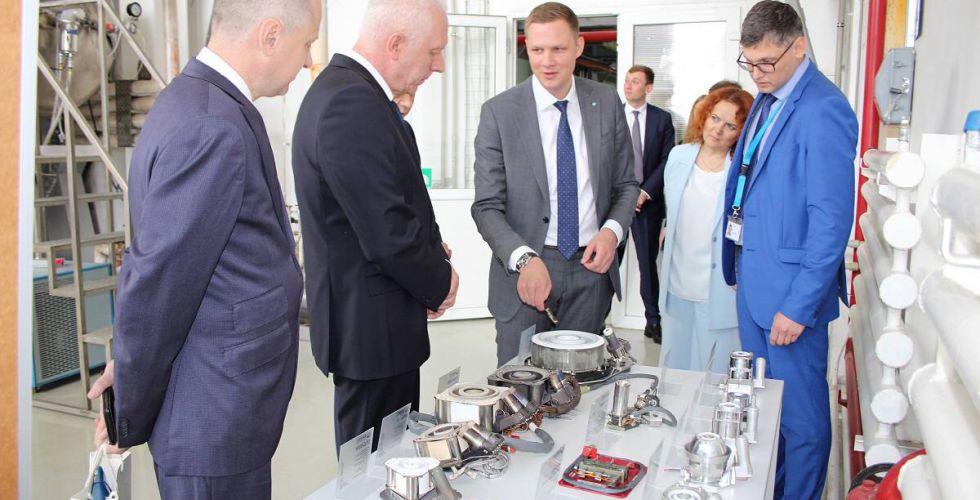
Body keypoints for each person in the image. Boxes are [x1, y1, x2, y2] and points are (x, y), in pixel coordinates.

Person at [85, 0, 318, 496]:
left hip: (222, 406)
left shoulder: (205, 101)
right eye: (306, 44)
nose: (307, 60)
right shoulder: (211, 125)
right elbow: (160, 283)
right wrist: (129, 404)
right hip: (211, 418)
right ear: (270, 34)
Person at [291, 0, 458, 452]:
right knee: (373, 470)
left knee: (392, 459)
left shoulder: (356, 95)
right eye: (433, 51)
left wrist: (431, 249)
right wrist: (439, 281)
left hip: (378, 326)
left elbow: (388, 201)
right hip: (370, 333)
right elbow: (387, 234)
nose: (439, 66)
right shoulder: (351, 103)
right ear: (396, 44)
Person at [720, 2, 858, 498]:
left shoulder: (824, 109)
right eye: (749, 62)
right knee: (764, 408)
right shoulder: (768, 97)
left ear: (799, 47)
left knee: (801, 421)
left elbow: (830, 222)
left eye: (766, 62)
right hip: (756, 281)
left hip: (790, 297)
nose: (756, 73)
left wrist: (799, 306)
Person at [472, 1, 638, 366]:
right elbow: (486, 206)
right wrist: (523, 258)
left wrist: (611, 232)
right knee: (521, 384)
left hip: (591, 271)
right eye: (537, 50)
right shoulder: (499, 112)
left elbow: (627, 184)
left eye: (558, 49)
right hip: (526, 272)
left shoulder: (606, 102)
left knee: (580, 384)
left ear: (579, 46)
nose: (547, 61)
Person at [658, 86, 753, 372]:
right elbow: (672, 210)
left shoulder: (742, 171)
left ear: (741, 132)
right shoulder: (678, 156)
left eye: (730, 126)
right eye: (715, 118)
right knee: (675, 369)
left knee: (714, 372)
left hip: (720, 287)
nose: (718, 130)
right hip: (678, 280)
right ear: (705, 115)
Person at [621, 65, 674, 343]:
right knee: (606, 263)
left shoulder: (661, 119)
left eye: (635, 81)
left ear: (648, 88)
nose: (628, 86)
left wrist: (644, 192)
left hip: (647, 203)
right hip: (615, 203)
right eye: (627, 81)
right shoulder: (612, 116)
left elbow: (667, 160)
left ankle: (653, 320)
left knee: (647, 264)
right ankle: (596, 319)